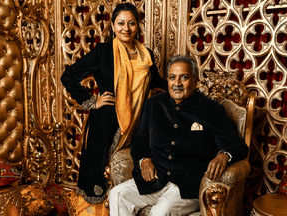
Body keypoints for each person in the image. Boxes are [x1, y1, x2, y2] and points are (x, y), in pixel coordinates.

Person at [109, 55, 248, 216]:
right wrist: (144, 161)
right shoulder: (153, 105)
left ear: (195, 81)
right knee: (117, 195)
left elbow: (238, 146)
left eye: (184, 77)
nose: (177, 83)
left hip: (187, 187)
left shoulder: (212, 110)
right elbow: (140, 140)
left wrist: (224, 155)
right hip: (154, 181)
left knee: (160, 212)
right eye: (172, 77)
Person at [61, 3, 167, 204]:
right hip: (104, 124)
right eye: (121, 23)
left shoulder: (147, 55)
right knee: (98, 177)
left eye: (131, 23)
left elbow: (157, 83)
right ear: (112, 25)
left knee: (127, 179)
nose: (126, 28)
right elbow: (69, 76)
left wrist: (180, 87)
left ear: (137, 26)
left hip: (136, 124)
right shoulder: (103, 52)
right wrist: (92, 102)